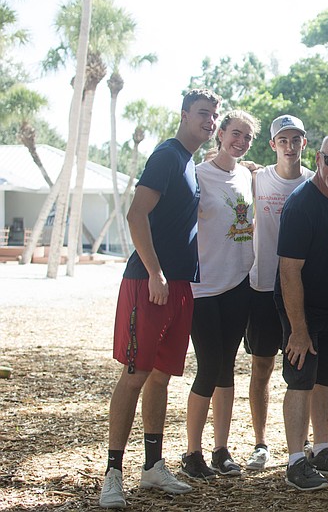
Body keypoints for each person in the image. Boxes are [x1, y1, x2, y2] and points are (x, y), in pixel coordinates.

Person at [99, 89, 221, 508]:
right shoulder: (167, 156)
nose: (209, 121)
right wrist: (155, 272)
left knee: (161, 377)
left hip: (180, 285)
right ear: (184, 115)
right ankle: (113, 474)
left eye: (214, 115)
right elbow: (136, 215)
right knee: (134, 375)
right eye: (203, 113)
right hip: (149, 283)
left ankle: (152, 466)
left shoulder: (189, 163)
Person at [276, 134, 328, 491]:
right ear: (317, 158)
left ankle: (322, 449)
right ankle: (296, 461)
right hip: (302, 308)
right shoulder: (301, 205)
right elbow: (289, 271)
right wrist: (298, 329)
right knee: (301, 380)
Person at [180, 110, 258, 479]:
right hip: (204, 287)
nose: (241, 141)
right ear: (221, 134)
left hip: (239, 282)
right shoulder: (197, 174)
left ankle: (220, 450)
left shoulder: (246, 175)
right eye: (235, 134)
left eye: (247, 137)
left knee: (226, 367)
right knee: (209, 366)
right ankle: (191, 453)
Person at [244, 114, 313, 471]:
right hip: (261, 286)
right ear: (272, 144)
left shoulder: (315, 182)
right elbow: (219, 164)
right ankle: (260, 443)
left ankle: (306, 443)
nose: (289, 146)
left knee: (304, 367)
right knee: (262, 365)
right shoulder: (256, 178)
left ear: (304, 142)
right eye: (283, 140)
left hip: (301, 290)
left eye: (295, 139)